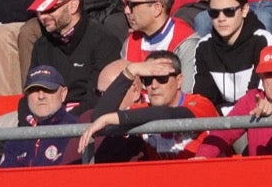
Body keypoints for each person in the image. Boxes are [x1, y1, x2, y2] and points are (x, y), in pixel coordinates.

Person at [83, 49, 222, 162]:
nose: (154, 86)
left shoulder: (199, 103)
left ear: (179, 81)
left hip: (208, 180)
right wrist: (130, 71)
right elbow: (98, 117)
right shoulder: (145, 110)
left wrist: (110, 118)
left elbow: (170, 115)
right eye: (147, 80)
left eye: (162, 78)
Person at [28, 0, 121, 108]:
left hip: (83, 122)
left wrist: (62, 121)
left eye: (50, 9)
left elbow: (96, 100)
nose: (43, 16)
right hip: (44, 118)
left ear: (73, 6)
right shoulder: (41, 46)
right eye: (39, 11)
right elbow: (30, 93)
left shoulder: (104, 41)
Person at [191, 0, 272, 114]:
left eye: (229, 11)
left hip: (254, 122)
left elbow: (256, 100)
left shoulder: (262, 41)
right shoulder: (204, 47)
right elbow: (202, 100)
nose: (221, 18)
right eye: (214, 13)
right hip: (219, 124)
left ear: (245, 10)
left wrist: (220, 112)